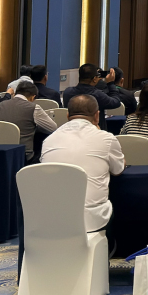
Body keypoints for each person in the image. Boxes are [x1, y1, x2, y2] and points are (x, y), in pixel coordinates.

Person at [40, 94, 125, 232]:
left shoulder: (49, 140)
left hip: (53, 219)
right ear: (97, 116)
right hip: (92, 220)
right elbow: (118, 170)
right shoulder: (106, 138)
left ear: (67, 115)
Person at [0, 80, 57, 161]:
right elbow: (53, 128)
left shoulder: (0, 105)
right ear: (33, 97)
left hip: (0, 154)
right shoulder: (33, 107)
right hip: (23, 156)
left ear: (15, 93)